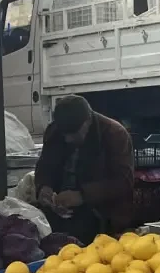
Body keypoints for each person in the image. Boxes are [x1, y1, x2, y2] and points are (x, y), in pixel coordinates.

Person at [33, 95, 134, 242]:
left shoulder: (115, 134)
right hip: (59, 216)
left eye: (74, 134)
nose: (68, 139)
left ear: (88, 121)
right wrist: (43, 188)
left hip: (102, 219)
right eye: (64, 135)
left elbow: (124, 182)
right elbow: (44, 166)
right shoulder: (54, 131)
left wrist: (82, 195)